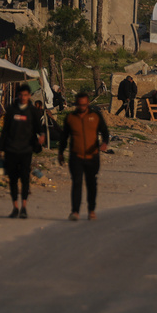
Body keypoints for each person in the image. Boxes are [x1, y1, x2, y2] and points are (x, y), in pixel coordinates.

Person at [57, 92, 109, 221]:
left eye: (84, 104)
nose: (82, 107)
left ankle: (91, 210)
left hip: (93, 156)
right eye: (80, 105)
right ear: (76, 104)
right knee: (77, 183)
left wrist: (104, 143)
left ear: (88, 103)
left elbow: (105, 131)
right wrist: (60, 153)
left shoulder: (95, 116)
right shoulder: (70, 118)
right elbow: (64, 137)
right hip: (76, 156)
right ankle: (75, 211)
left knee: (91, 184)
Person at [0, 84, 45, 219]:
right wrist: (0, 148)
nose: (23, 97)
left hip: (26, 149)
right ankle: (15, 207)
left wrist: (41, 135)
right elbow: (5, 130)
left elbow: (38, 127)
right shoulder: (11, 110)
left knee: (24, 178)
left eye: (25, 95)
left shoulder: (32, 111)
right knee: (12, 179)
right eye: (21, 95)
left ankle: (24, 207)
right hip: (11, 149)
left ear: (29, 96)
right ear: (18, 95)